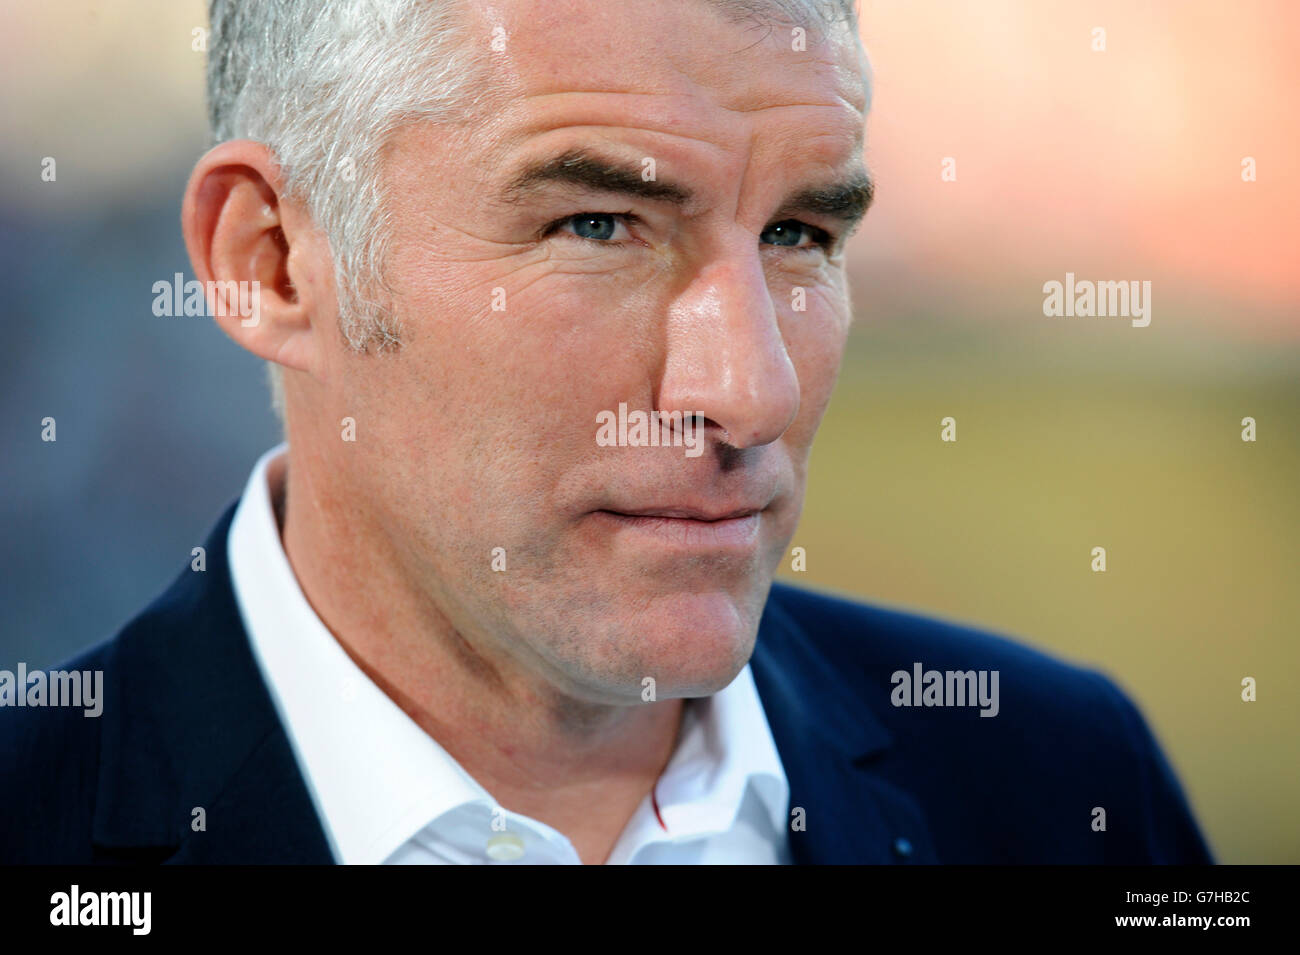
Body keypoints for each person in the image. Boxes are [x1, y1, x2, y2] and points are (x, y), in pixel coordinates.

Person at [0, 0, 1211, 865]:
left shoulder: (1066, 788)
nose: (752, 392)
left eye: (800, 234)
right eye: (597, 225)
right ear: (267, 262)